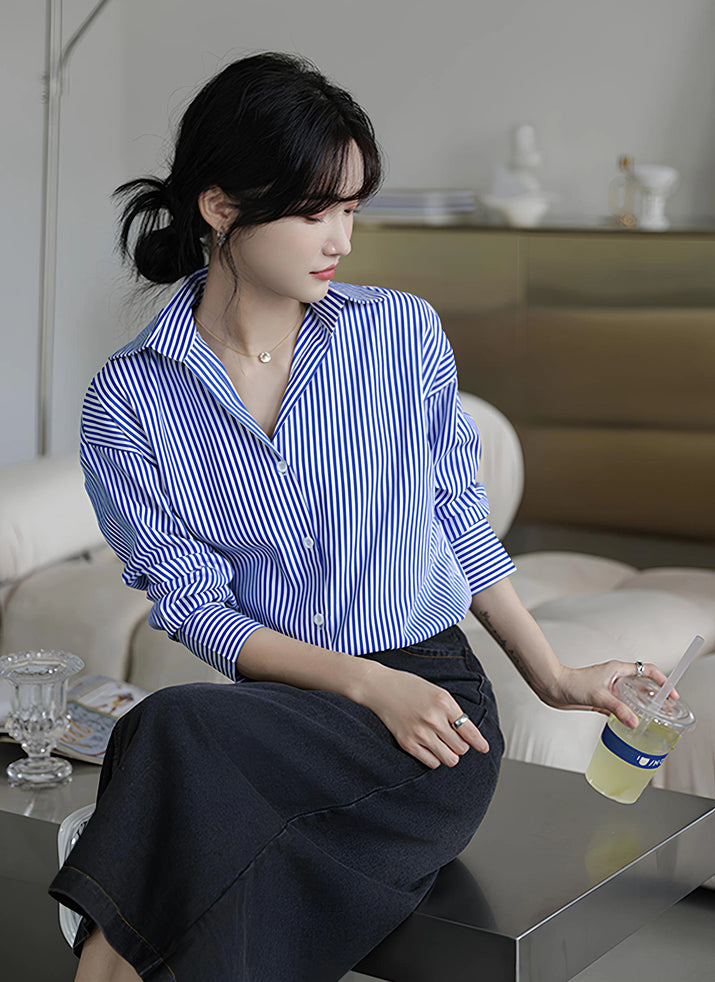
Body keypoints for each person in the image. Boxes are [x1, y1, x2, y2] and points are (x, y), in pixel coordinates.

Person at [49, 52, 672, 982]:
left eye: (350, 208)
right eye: (314, 211)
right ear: (220, 207)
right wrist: (358, 684)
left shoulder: (398, 334)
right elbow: (193, 607)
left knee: (171, 737)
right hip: (289, 711)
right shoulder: (129, 401)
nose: (340, 237)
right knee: (175, 738)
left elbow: (456, 515)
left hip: (434, 720)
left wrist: (550, 677)